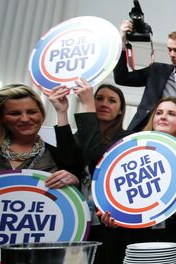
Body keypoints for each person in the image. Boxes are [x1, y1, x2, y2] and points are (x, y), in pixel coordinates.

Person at [98, 96, 176, 263]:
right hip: (137, 241)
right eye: (159, 113)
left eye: (171, 113)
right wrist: (113, 219)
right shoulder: (131, 154)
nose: (163, 117)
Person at [48, 79, 131, 264]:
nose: (103, 104)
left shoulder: (126, 139)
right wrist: (62, 112)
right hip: (78, 219)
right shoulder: (80, 137)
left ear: (121, 110)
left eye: (112, 100)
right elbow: (67, 164)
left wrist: (87, 104)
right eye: (99, 98)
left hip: (110, 222)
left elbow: (96, 156)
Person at [114, 20, 176, 147]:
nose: (172, 54)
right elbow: (122, 78)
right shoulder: (157, 71)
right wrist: (122, 43)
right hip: (156, 130)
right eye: (170, 50)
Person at [0, 84, 82, 192]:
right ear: (1, 118)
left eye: (32, 112)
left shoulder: (56, 155)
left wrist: (74, 182)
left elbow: (77, 191)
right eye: (15, 113)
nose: (25, 119)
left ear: (42, 114)